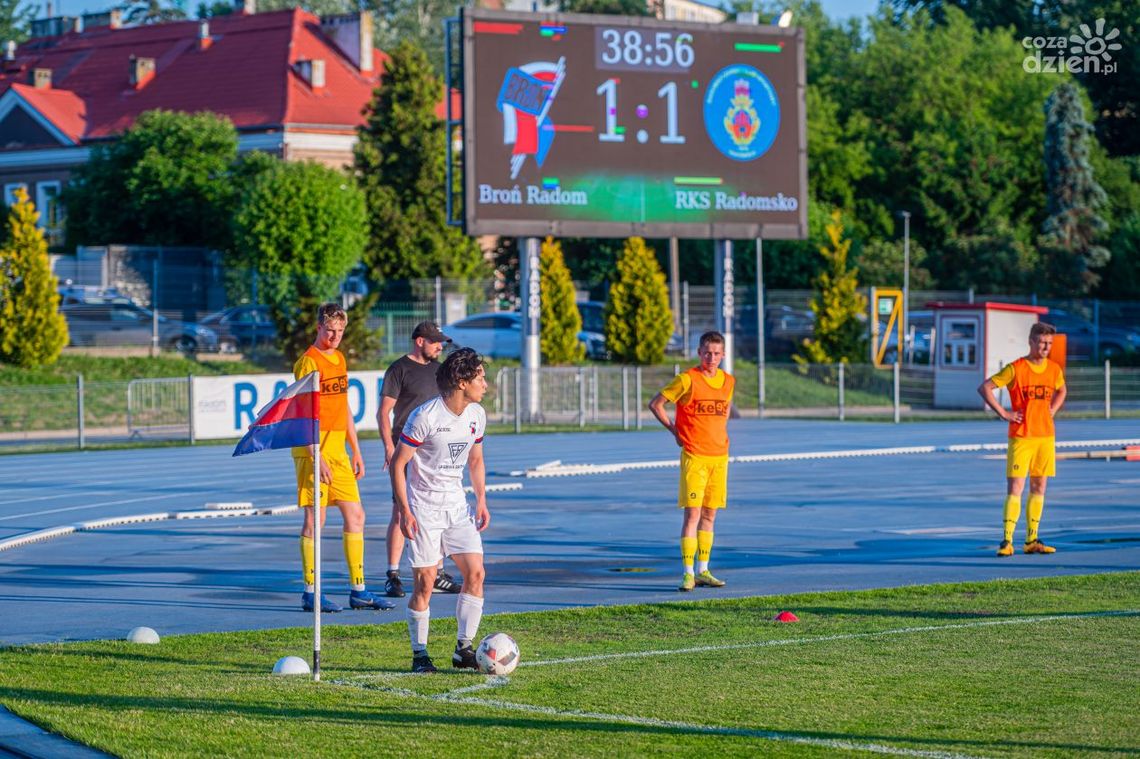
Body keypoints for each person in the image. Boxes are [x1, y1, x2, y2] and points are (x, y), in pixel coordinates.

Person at [390, 348, 490, 673]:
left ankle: (464, 650)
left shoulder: (477, 415)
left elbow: (475, 459)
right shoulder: (426, 416)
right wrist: (405, 511)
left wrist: (482, 500)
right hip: (424, 509)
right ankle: (420, 655)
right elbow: (398, 463)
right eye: (480, 377)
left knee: (476, 573)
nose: (485, 384)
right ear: (462, 381)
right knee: (425, 583)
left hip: (457, 507)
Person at [292, 302, 393, 612]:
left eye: (339, 331)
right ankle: (311, 592)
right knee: (316, 519)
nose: (335, 336)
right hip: (314, 449)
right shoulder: (308, 363)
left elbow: (343, 408)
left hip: (338, 448)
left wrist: (356, 449)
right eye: (329, 330)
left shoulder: (339, 358)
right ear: (318, 328)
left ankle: (359, 590)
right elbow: (302, 414)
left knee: (356, 516)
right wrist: (316, 455)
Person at [378, 322, 462, 598]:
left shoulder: (440, 371)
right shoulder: (399, 369)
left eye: (441, 342)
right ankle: (392, 574)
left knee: (435, 510)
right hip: (406, 446)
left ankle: (436, 571)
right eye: (435, 341)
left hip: (432, 451)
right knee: (400, 510)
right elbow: (384, 412)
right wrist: (389, 446)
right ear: (419, 341)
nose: (440, 346)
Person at [648, 331, 735, 592]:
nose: (712, 358)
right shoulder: (687, 379)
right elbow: (656, 404)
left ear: (723, 355)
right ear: (699, 353)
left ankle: (703, 570)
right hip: (695, 456)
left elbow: (725, 409)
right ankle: (687, 573)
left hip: (719, 457)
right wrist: (675, 431)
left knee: (710, 514)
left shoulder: (728, 381)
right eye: (707, 352)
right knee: (693, 514)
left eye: (717, 353)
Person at [977, 321, 1067, 557]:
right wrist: (1004, 413)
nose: (1046, 347)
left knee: (1039, 487)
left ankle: (1032, 539)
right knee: (1016, 488)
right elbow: (985, 388)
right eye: (1042, 342)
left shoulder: (1054, 369)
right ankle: (1007, 540)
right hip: (1021, 437)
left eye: (1049, 343)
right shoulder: (1016, 368)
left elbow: (1062, 390)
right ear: (1031, 341)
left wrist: (1053, 409)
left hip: (1045, 437)